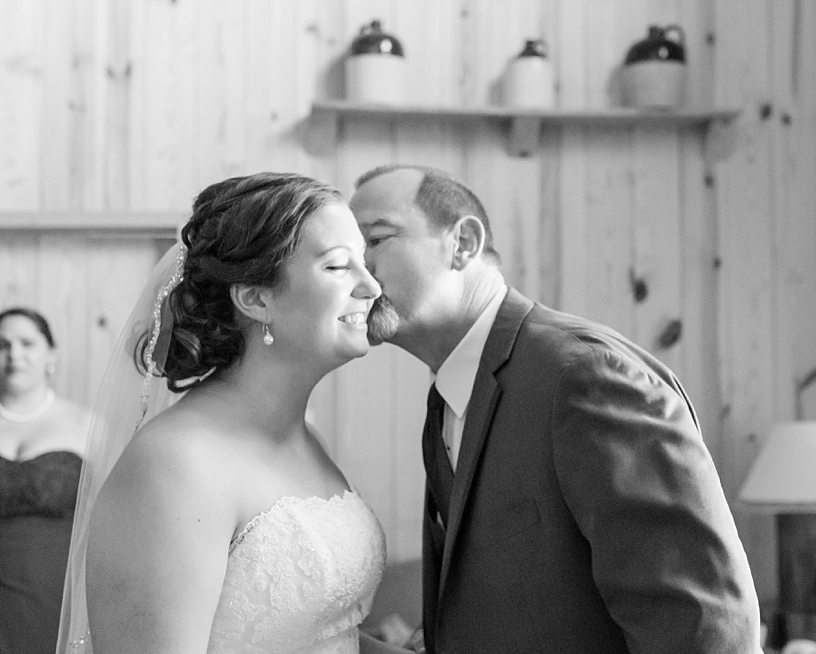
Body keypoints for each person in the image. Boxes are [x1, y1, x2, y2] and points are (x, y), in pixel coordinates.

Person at [349, 164, 765, 654]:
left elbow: (701, 626)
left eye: (375, 240)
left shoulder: (586, 376)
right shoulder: (448, 402)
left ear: (462, 243)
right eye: (348, 255)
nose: (358, 271)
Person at [56, 172, 408, 654]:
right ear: (256, 298)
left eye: (364, 264)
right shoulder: (175, 464)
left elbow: (318, 631)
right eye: (337, 267)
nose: (370, 286)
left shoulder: (306, 437)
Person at [0, 308, 90, 654]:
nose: (15, 354)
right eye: (3, 344)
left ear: (50, 354)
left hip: (54, 591)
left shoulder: (84, 425)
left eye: (26, 343)